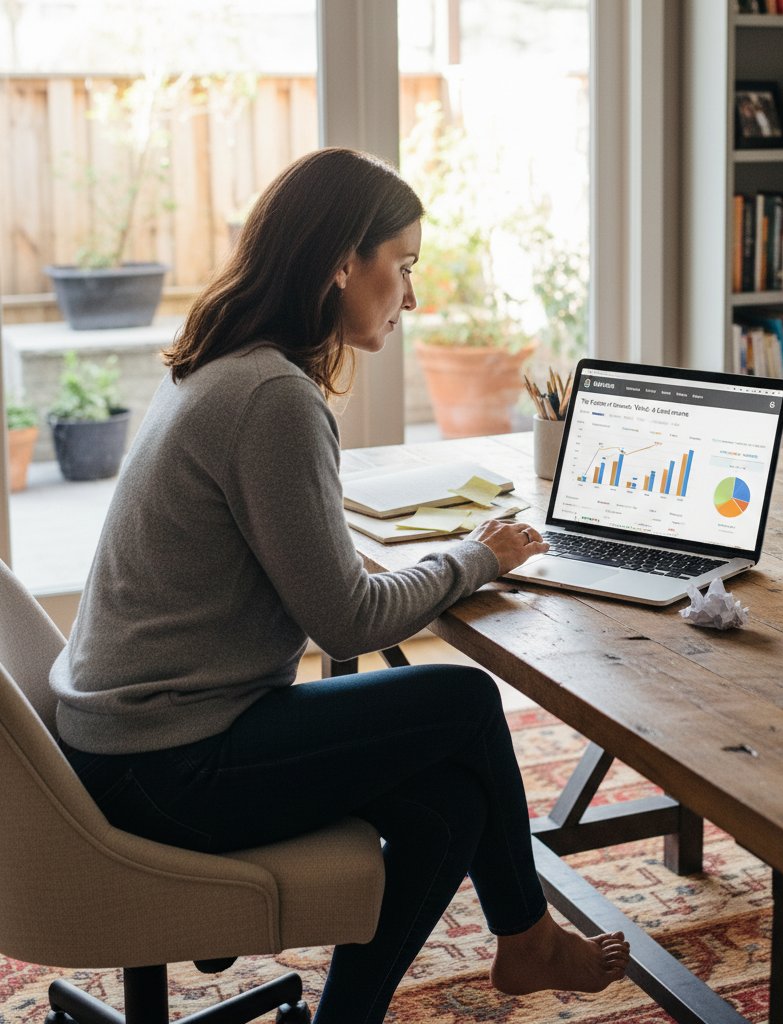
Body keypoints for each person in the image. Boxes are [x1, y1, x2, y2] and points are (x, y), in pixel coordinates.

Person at [49, 147, 630, 1024]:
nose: (410, 296)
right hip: (168, 765)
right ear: (339, 264)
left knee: (450, 802)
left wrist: (416, 564)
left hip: (125, 741)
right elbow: (345, 623)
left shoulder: (225, 366)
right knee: (465, 703)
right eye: (402, 268)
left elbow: (296, 573)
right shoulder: (272, 397)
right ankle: (530, 939)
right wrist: (478, 558)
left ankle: (356, 1015)